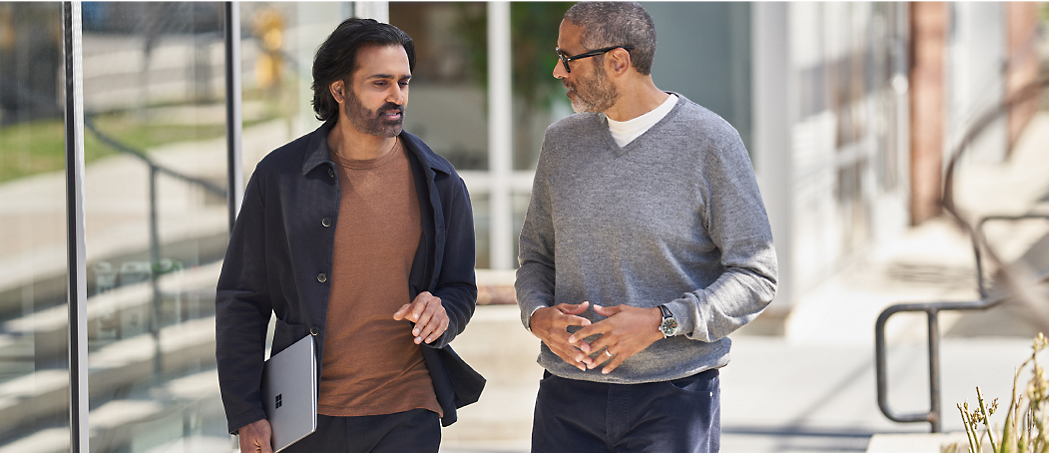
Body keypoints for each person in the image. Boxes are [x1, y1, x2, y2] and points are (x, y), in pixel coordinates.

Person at [515, 2, 778, 452]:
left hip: (673, 401)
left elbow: (756, 276)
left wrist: (663, 322)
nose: (559, 72)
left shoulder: (710, 143)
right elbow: (537, 256)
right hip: (566, 398)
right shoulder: (561, 143)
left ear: (618, 61)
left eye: (568, 57)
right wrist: (537, 316)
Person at [216, 18, 483, 453]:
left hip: (408, 406)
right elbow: (242, 298)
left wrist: (443, 313)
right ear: (338, 90)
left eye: (403, 82)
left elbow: (459, 289)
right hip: (305, 415)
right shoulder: (280, 178)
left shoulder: (439, 181)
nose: (397, 96)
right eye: (380, 83)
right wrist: (247, 412)